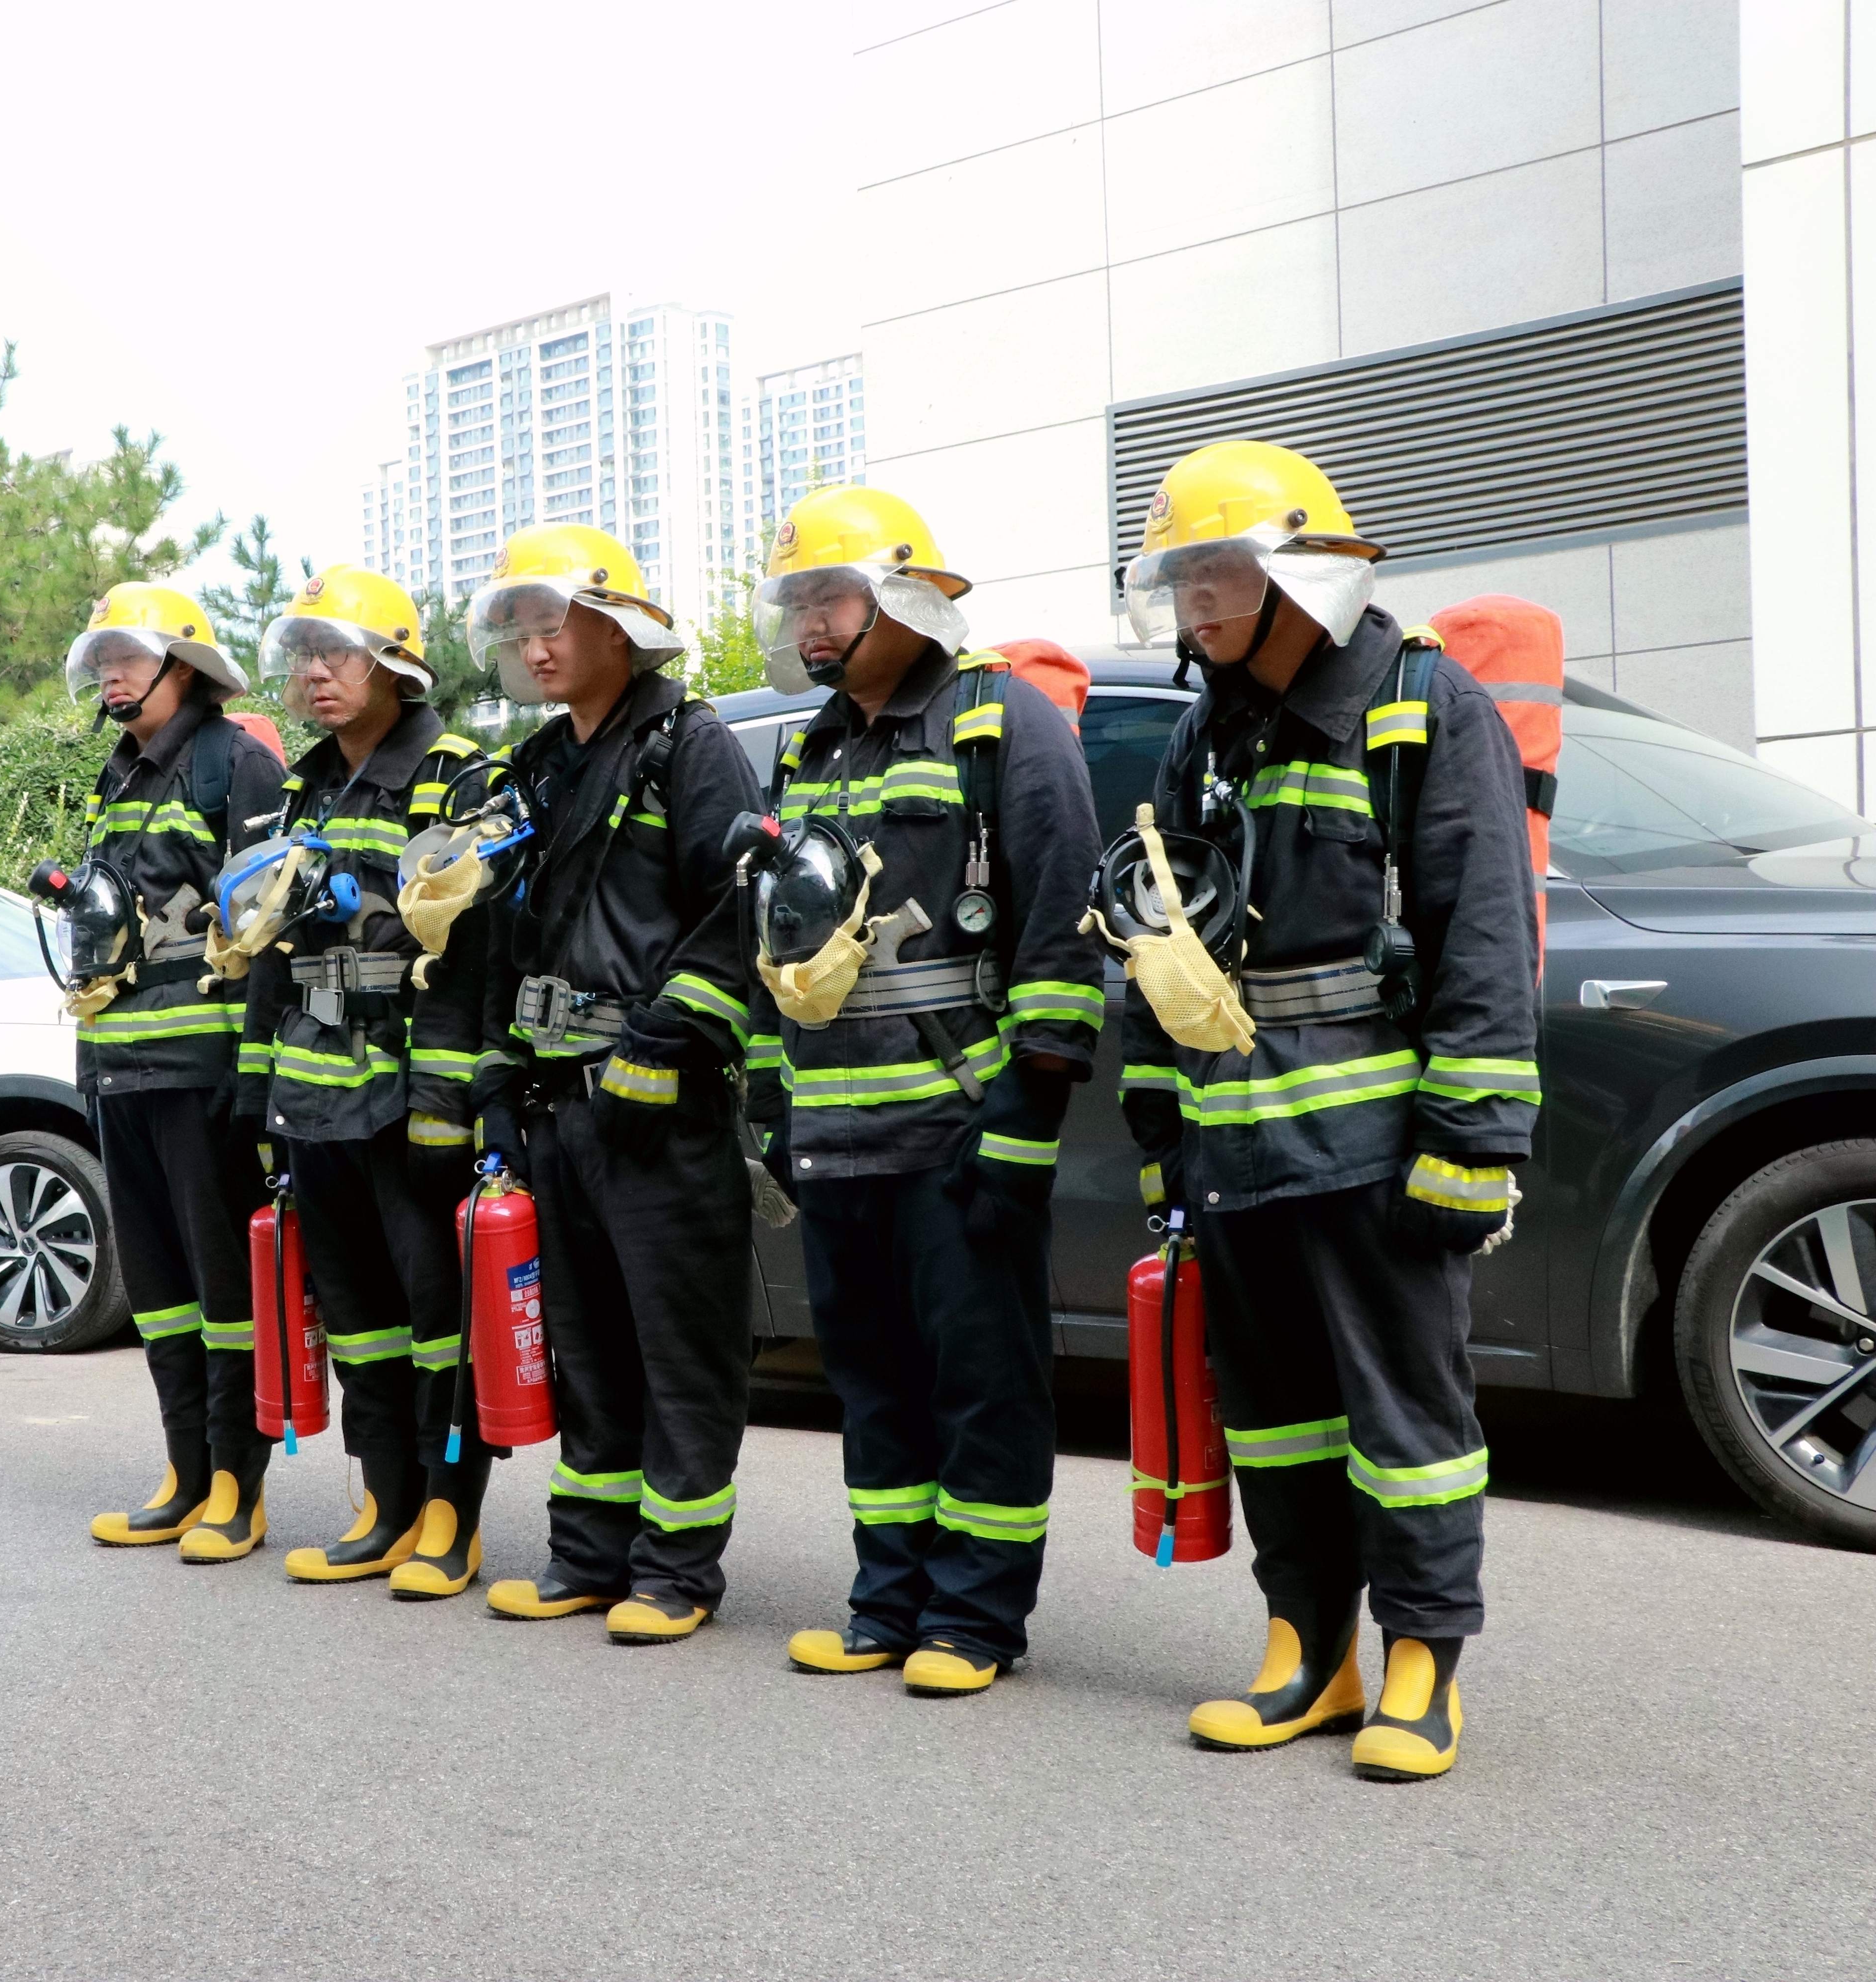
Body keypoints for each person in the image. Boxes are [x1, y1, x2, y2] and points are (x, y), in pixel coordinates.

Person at [1113, 441, 1540, 1780]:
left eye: (1220, 573)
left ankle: (1424, 1663)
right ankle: (1310, 1648)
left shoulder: (1421, 705)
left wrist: (1471, 1144)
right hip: (1238, 1149)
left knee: (1407, 1425)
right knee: (1275, 1422)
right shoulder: (1203, 733)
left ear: (1302, 575)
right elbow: (1155, 931)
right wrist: (1159, 1132)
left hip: (1376, 1151)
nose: (1197, 603)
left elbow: (1485, 938)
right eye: (1181, 579)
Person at [739, 487, 1104, 1697]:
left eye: (831, 596)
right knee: (873, 1385)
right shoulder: (812, 746)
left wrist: (1024, 1129)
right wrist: (775, 1109)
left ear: (905, 596)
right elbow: (785, 949)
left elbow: (1061, 933)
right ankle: (886, 1601)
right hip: (839, 1138)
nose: (810, 622)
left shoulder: (1001, 721)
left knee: (981, 1384)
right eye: (797, 601)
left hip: (957, 1133)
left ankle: (974, 1617)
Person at [464, 523, 766, 1644]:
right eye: (521, 630)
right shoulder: (542, 765)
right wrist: (499, 1073)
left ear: (620, 629)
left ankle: (677, 1569)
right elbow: (511, 932)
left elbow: (736, 915)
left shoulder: (690, 745)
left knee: (678, 1346)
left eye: (557, 625)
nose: (537, 648)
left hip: (660, 1107)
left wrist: (660, 1044)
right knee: (585, 1341)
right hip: (559, 1105)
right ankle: (588, 1555)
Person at [232, 566, 495, 1597]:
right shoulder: (301, 789)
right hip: (313, 1096)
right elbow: (267, 952)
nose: (316, 673)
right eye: (304, 655)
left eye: (337, 653)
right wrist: (258, 1097)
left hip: (402, 1096)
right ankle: (386, 1506)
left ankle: (449, 1517)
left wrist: (443, 1103)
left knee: (438, 1322)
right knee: (359, 1322)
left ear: (395, 664)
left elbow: (471, 957)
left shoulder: (451, 775)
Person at [62, 583, 293, 1562]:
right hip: (122, 1068)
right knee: (158, 1289)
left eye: (129, 657)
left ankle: (238, 1488)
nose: (111, 676)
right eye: (102, 661)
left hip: (204, 1071)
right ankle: (183, 1475)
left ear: (184, 667)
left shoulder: (234, 761)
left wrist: (257, 1075)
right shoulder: (117, 772)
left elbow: (270, 925)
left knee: (224, 1286)